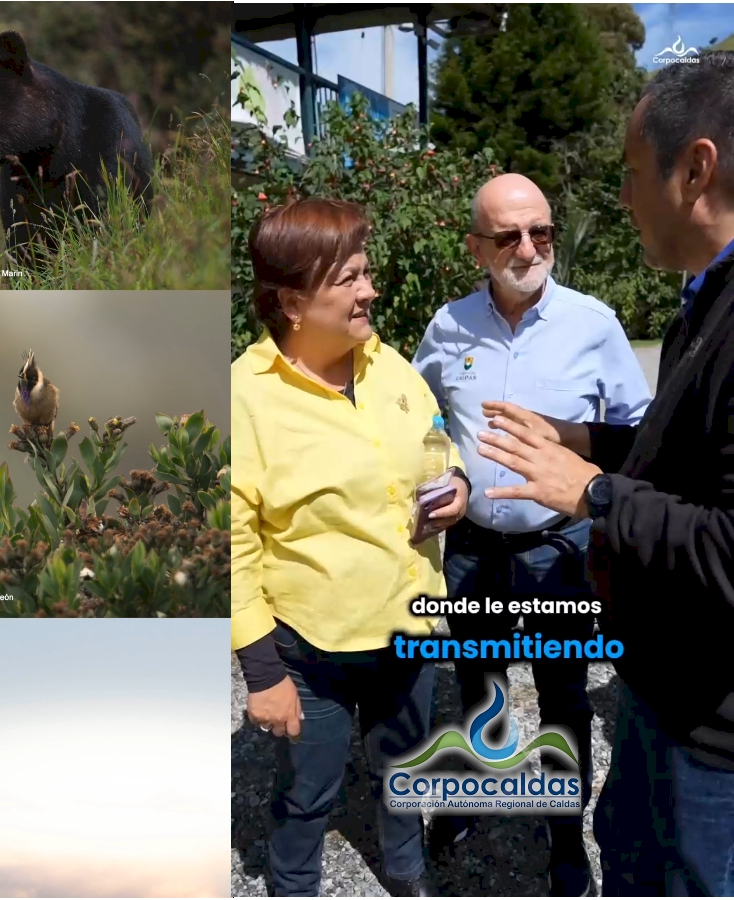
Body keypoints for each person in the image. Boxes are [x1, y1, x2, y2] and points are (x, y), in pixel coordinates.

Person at [476, 53, 734, 896]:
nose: (621, 201)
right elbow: (680, 457)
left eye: (629, 176)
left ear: (693, 169)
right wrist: (578, 440)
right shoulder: (703, 299)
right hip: (661, 700)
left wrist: (589, 492)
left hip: (711, 739)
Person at [412, 173, 651, 897]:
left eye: (539, 231)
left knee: (564, 701)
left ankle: (563, 838)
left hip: (560, 552)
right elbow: (421, 420)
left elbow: (635, 434)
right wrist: (446, 473)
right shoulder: (446, 327)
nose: (527, 248)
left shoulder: (592, 323)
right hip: (475, 550)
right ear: (475, 247)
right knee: (479, 686)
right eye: (508, 236)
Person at [232, 197, 470, 897]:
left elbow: (435, 442)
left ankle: (406, 875)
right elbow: (232, 547)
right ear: (291, 301)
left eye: (365, 274)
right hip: (314, 652)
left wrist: (454, 481)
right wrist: (263, 673)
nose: (368, 291)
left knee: (402, 773)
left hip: (409, 631)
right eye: (348, 279)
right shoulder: (244, 399)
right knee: (306, 795)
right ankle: (294, 886)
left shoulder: (386, 362)